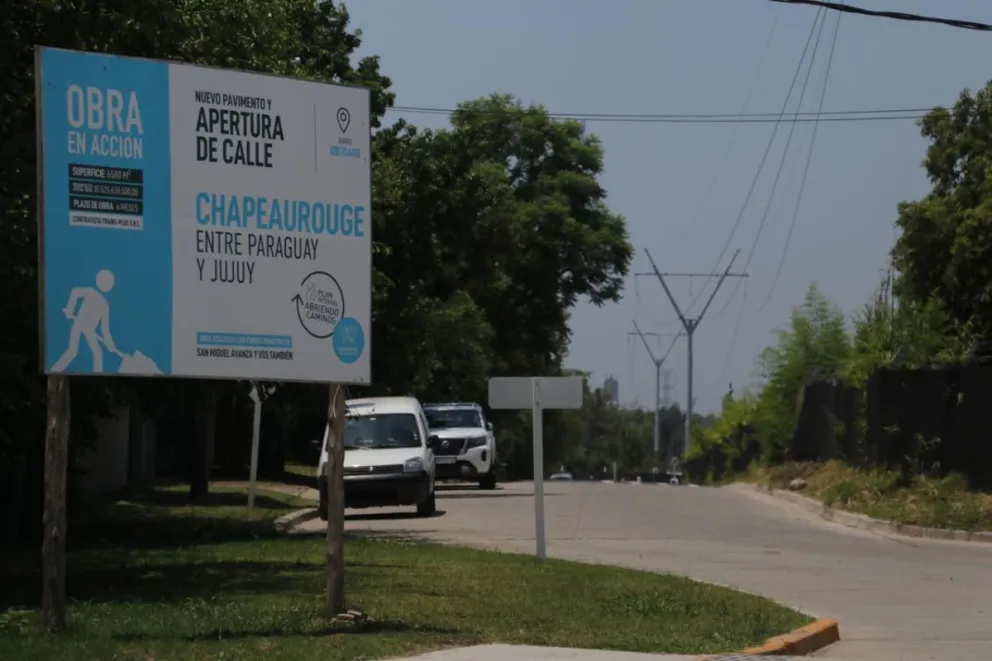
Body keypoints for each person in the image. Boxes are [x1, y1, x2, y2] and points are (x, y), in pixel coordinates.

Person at [51, 269, 118, 373]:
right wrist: (70, 309)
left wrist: (110, 344)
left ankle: (97, 378)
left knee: (97, 353)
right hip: (78, 324)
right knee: (73, 351)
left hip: (89, 330)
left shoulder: (105, 305)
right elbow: (74, 292)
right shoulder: (91, 293)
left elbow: (105, 330)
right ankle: (54, 371)